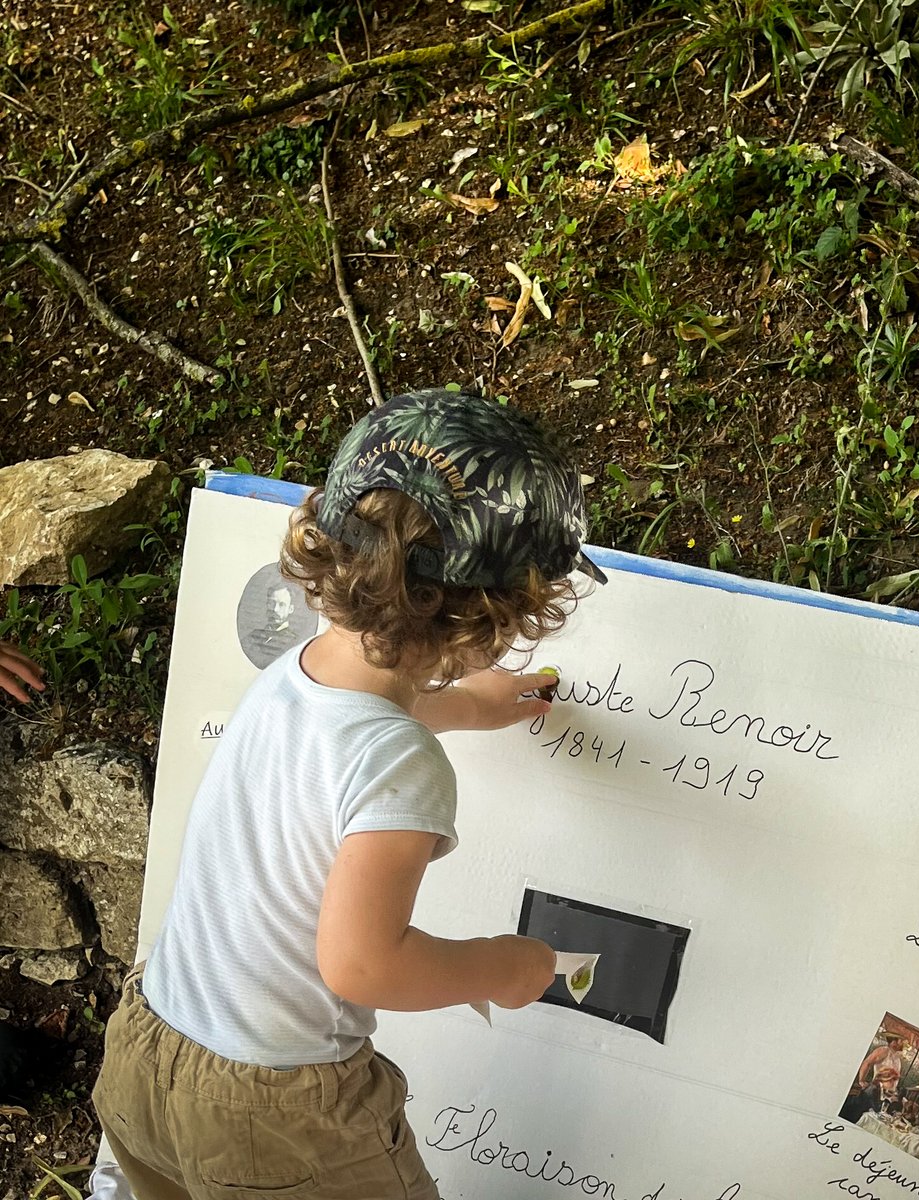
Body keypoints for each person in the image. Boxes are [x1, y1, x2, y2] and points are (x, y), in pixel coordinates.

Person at [91, 388, 607, 1199]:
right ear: (488, 621)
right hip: (274, 1116)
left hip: (146, 1050)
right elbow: (364, 964)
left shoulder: (288, 678)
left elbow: (351, 739)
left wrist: (469, 707)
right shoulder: (405, 765)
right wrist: (501, 967)